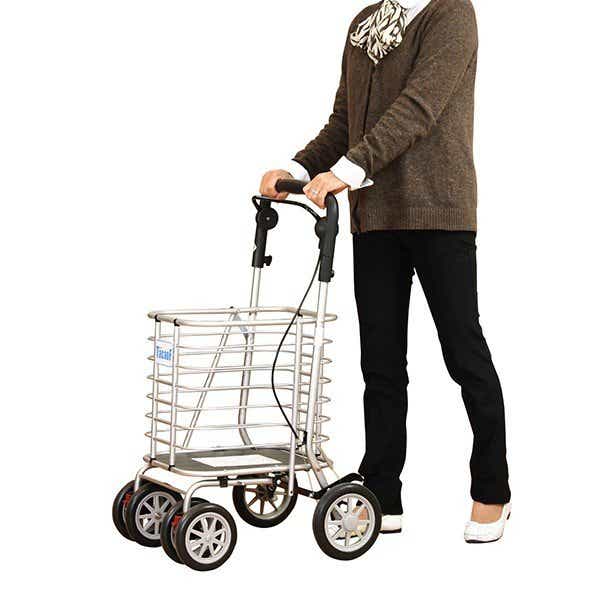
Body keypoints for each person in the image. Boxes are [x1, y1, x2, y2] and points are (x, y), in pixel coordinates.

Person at [260, 0, 511, 543]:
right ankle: (382, 490)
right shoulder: (364, 25)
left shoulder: (450, 14)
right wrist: (298, 167)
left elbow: (419, 107)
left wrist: (348, 170)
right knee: (380, 364)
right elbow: (346, 121)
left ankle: (493, 488)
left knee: (464, 354)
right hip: (374, 217)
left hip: (439, 213)